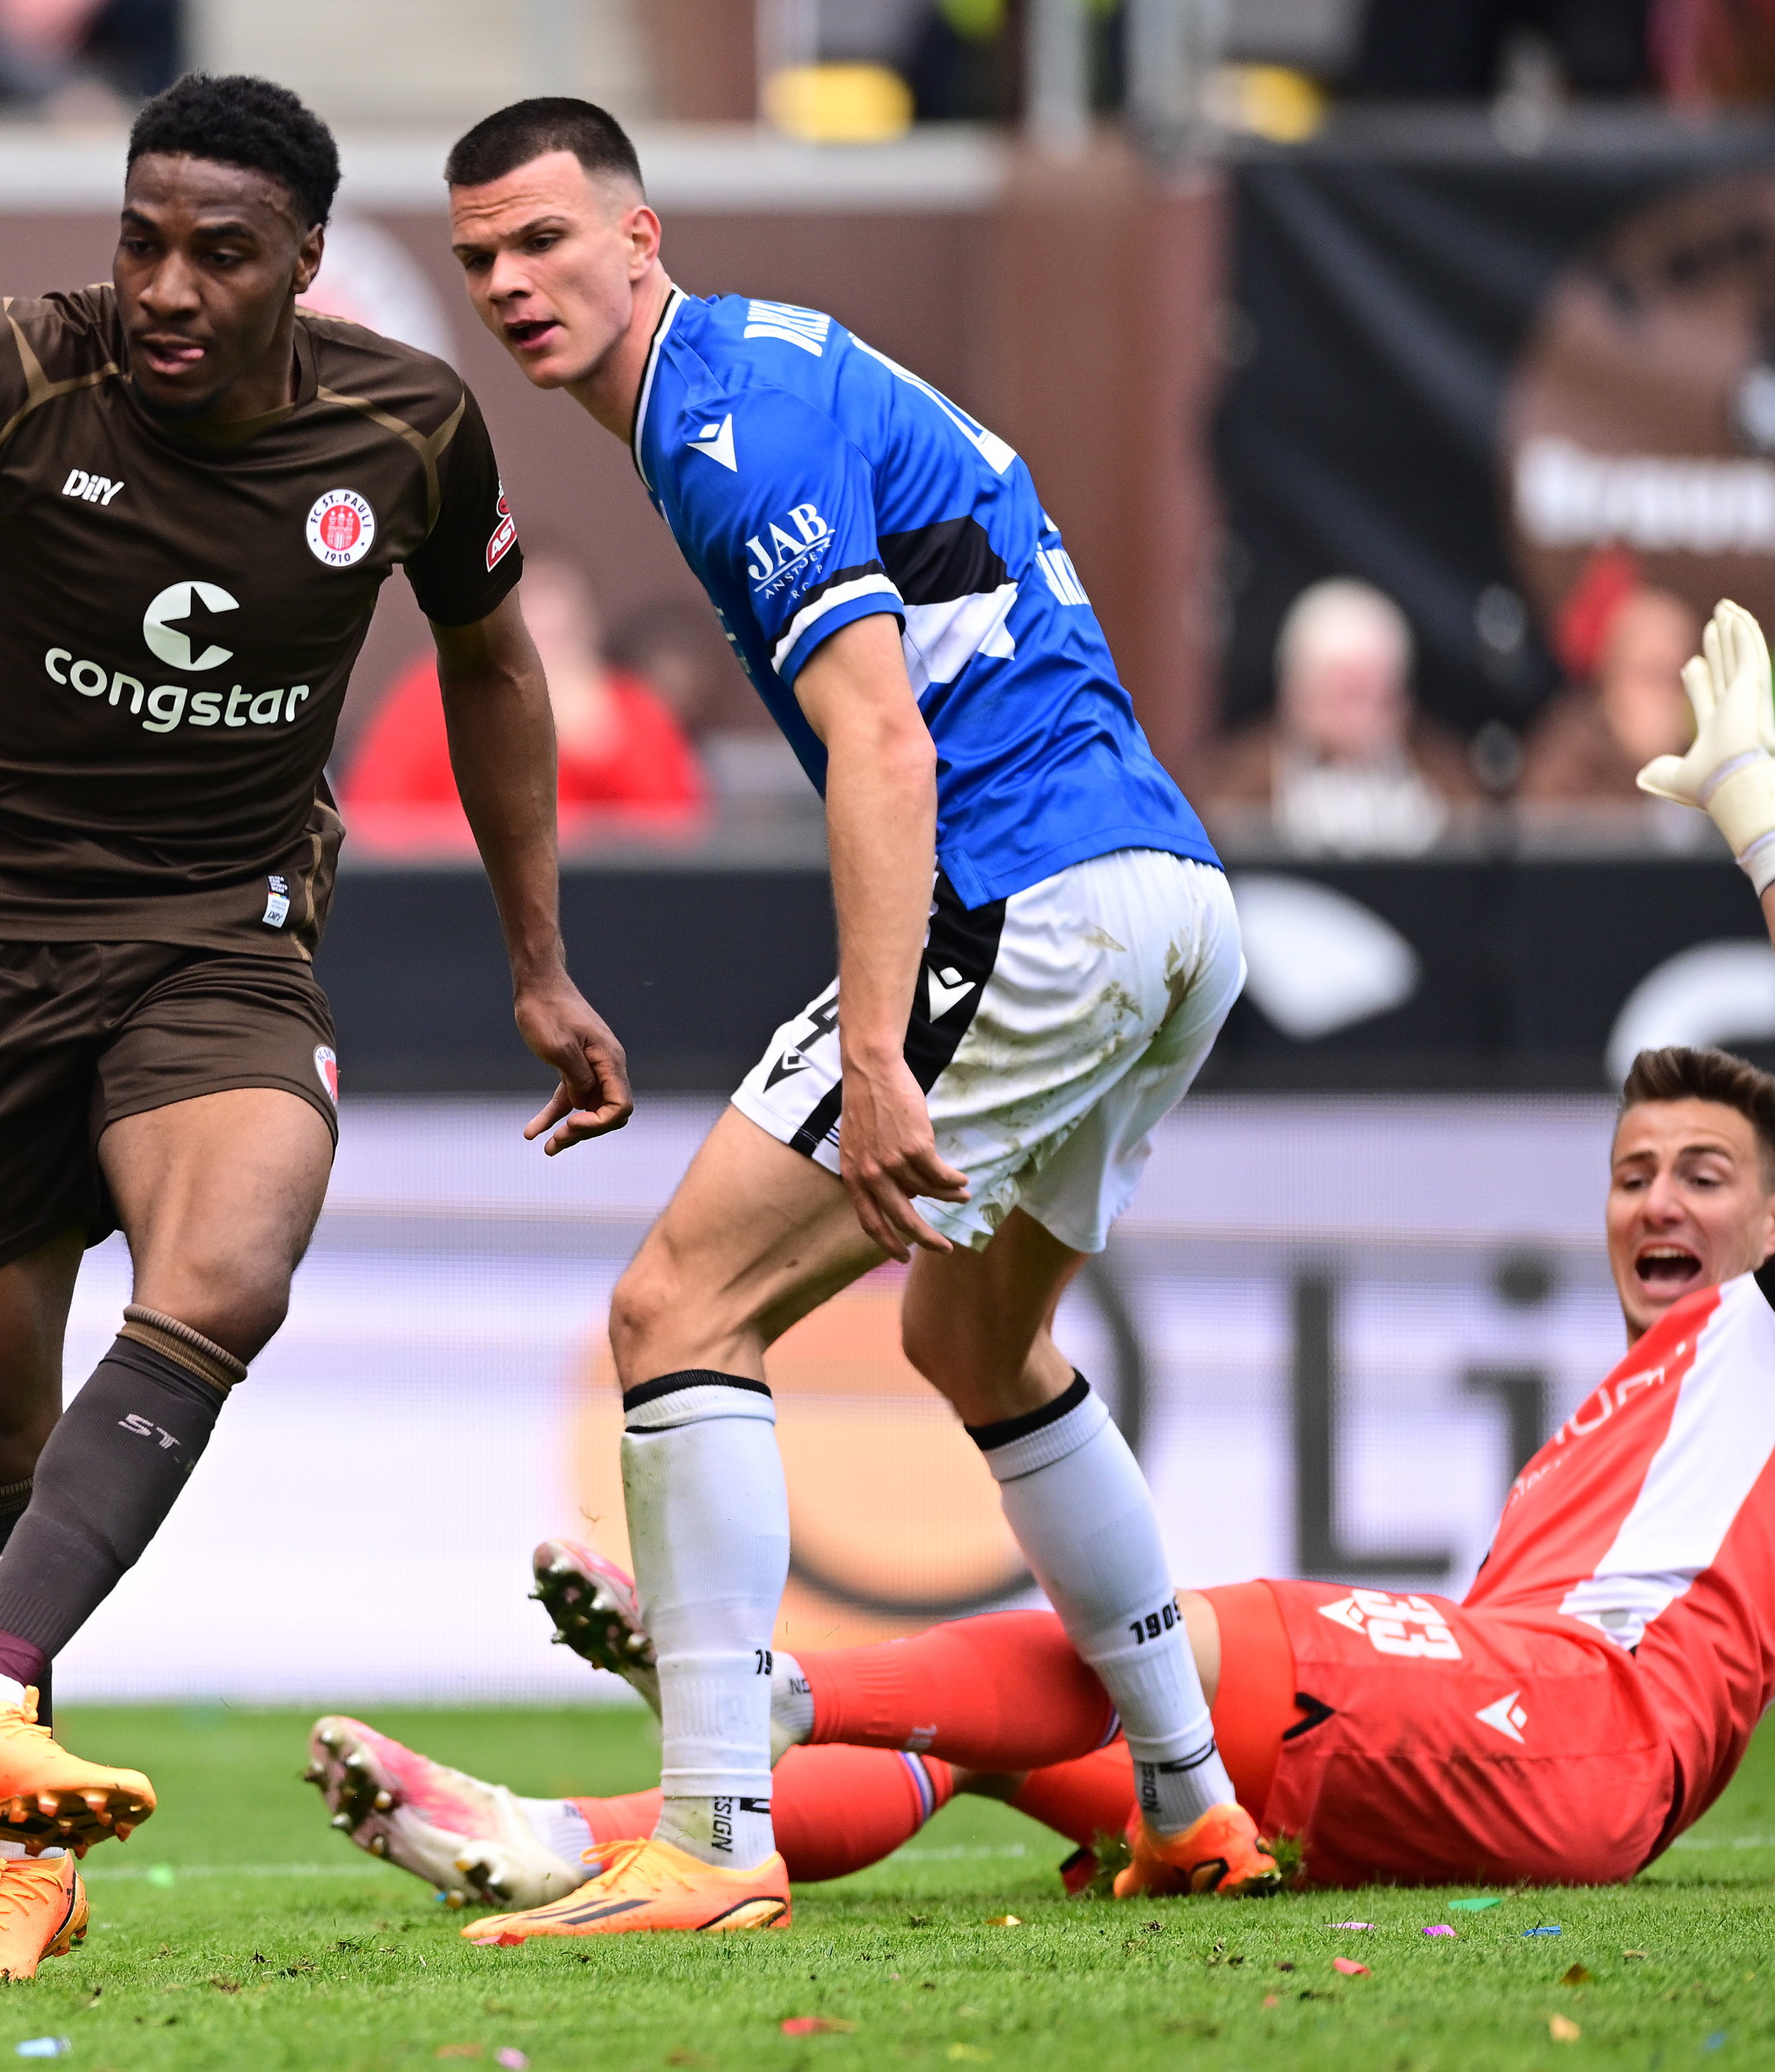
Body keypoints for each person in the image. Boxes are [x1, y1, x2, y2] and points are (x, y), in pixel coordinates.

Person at [317, 604, 1775, 1908]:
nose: (1654, 1203)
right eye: (1630, 1172)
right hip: (1517, 1744)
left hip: (1572, 1726)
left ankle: (760, 1689)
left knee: (1158, 1642)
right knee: (1008, 1734)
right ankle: (543, 1838)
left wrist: (1754, 805)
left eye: (1702, 1177)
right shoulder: (1633, 1406)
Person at [0, 73, 630, 1984]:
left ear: (297, 267)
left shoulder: (405, 426)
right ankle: (19, 1832)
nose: (160, 284)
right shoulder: (7, 366)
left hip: (218, 940)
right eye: (138, 239)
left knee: (225, 1268)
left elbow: (486, 662)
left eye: (212, 254)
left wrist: (534, 960)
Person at [439, 97, 1248, 1937]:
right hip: (1169, 899)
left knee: (677, 1307)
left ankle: (713, 1836)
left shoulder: (725, 424)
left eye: (543, 241)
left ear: (639, 237)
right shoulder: (762, 371)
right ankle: (1190, 1801)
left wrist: (875, 1057)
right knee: (975, 1339)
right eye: (479, 256)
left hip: (1030, 895)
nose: (507, 283)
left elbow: (881, 740)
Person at [341, 547, 710, 849]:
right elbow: (372, 824)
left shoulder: (630, 709)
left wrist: (603, 747)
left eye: (562, 634)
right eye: (529, 628)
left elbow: (682, 841)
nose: (543, 654)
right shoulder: (432, 695)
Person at [1212, 576, 1475, 857]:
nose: (1363, 719)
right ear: (1297, 695)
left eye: (1381, 699)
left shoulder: (1443, 780)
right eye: (1348, 695)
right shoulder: (1242, 786)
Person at [1524, 562, 1706, 807]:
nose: (1671, 696)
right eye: (1654, 675)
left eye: (1682, 679)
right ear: (1611, 679)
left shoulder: (1712, 765)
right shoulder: (1568, 770)